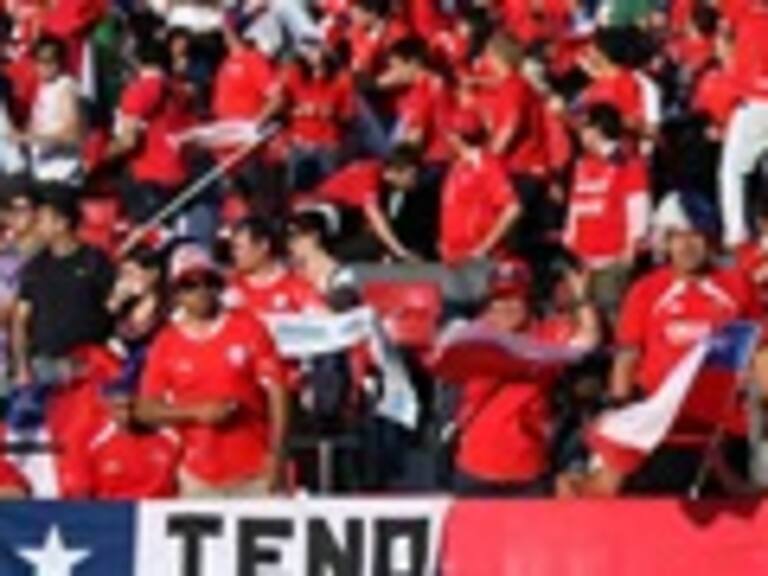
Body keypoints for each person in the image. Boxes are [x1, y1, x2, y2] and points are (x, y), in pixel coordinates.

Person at [576, 192, 767, 496]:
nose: (687, 246)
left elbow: (760, 349)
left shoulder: (737, 286)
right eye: (677, 237)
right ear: (665, 242)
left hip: (724, 430)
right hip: (662, 432)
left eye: (696, 236)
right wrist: (619, 405)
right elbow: (627, 358)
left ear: (711, 239)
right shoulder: (646, 291)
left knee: (730, 525)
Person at [137, 243, 290, 498]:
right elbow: (146, 409)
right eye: (190, 285)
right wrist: (195, 413)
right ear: (176, 294)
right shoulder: (166, 343)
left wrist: (277, 453)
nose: (201, 292)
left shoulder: (248, 328)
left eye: (208, 282)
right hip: (198, 473)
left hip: (254, 469)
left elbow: (278, 391)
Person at [450, 257, 599, 496]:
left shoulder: (546, 335)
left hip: (527, 471)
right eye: (499, 298)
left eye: (513, 297)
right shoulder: (475, 336)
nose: (505, 307)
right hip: (474, 470)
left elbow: (589, 340)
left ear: (529, 300)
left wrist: (581, 298)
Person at [12, 187, 114, 386]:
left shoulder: (94, 261)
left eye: (42, 219)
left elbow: (110, 307)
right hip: (43, 365)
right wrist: (22, 367)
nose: (37, 225)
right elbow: (20, 320)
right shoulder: (35, 267)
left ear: (62, 223)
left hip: (86, 365)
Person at [564, 103, 651, 318]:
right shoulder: (582, 164)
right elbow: (576, 206)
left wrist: (631, 247)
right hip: (583, 259)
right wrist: (570, 240)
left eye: (585, 128)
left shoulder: (627, 162)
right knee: (582, 317)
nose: (580, 134)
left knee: (611, 315)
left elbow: (638, 206)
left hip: (613, 258)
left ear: (599, 129)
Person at [75, 374, 180, 500]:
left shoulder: (171, 440)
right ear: (108, 408)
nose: (127, 415)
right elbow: (81, 497)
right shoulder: (93, 443)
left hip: (157, 513)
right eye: (119, 408)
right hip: (111, 515)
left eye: (132, 407)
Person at [439, 111, 521, 265]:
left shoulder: (486, 164)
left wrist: (484, 249)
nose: (447, 138)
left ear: (458, 137)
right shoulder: (458, 166)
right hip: (455, 258)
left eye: (451, 133)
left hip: (477, 260)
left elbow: (512, 209)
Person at [16, 35, 83, 185]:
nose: (44, 66)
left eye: (50, 60)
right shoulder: (44, 87)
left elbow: (73, 134)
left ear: (61, 61)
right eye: (39, 60)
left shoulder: (65, 87)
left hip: (62, 174)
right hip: (43, 171)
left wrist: (26, 137)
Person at [226, 214, 324, 316]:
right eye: (233, 248)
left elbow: (320, 323)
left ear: (264, 245)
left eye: (239, 247)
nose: (234, 254)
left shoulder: (296, 285)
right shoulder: (231, 285)